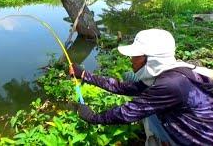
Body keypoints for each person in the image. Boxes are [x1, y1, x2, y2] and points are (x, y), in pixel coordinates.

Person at [69, 29, 213, 145]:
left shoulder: (171, 85)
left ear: (151, 59)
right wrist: (83, 74)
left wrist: (92, 117)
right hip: (192, 124)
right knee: (149, 114)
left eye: (136, 56)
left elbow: (127, 113)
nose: (131, 60)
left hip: (199, 139)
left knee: (147, 114)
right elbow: (124, 88)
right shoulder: (170, 72)